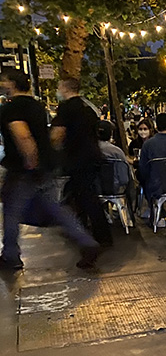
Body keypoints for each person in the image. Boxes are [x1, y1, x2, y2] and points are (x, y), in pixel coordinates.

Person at [0, 69, 100, 270]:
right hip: (45, 166)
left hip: (23, 169)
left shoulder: (12, 108)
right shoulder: (37, 106)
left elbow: (23, 136)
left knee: (11, 211)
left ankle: (10, 255)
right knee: (56, 208)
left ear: (12, 83)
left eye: (3, 80)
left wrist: (31, 162)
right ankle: (86, 241)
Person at [51, 78, 113, 248]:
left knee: (84, 196)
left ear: (65, 88)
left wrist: (50, 150)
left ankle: (97, 235)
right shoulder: (88, 108)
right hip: (91, 156)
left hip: (77, 159)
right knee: (82, 195)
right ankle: (89, 231)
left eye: (59, 87)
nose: (58, 90)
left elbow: (57, 134)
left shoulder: (66, 108)